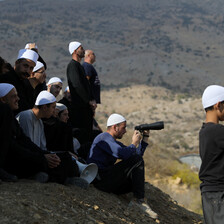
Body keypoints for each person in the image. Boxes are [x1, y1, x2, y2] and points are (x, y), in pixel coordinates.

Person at [0, 83, 78, 184]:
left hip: (30, 155)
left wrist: (45, 154)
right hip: (16, 159)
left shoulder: (16, 119)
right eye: (14, 96)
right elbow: (16, 147)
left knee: (65, 158)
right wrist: (42, 157)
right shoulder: (25, 116)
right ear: (2, 100)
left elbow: (25, 141)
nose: (18, 99)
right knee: (48, 163)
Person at [87, 113, 158, 219]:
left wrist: (144, 139)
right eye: (123, 128)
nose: (125, 131)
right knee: (136, 162)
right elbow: (123, 154)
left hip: (106, 180)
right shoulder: (103, 138)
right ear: (115, 127)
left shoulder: (113, 142)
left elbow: (135, 157)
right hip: (99, 179)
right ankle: (139, 201)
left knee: (135, 180)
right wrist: (133, 143)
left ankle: (138, 200)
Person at [199, 85, 224, 224]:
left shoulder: (205, 130)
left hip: (211, 195)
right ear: (218, 105)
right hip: (219, 194)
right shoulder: (217, 131)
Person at [66, 41, 97, 144]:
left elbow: (86, 86)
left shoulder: (79, 66)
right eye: (81, 48)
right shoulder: (72, 66)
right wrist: (88, 101)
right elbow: (77, 85)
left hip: (85, 109)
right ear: (75, 51)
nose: (83, 50)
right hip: (79, 109)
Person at [0, 49, 39, 114]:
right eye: (25, 66)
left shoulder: (27, 83)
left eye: (31, 68)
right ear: (17, 63)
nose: (27, 71)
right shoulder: (6, 78)